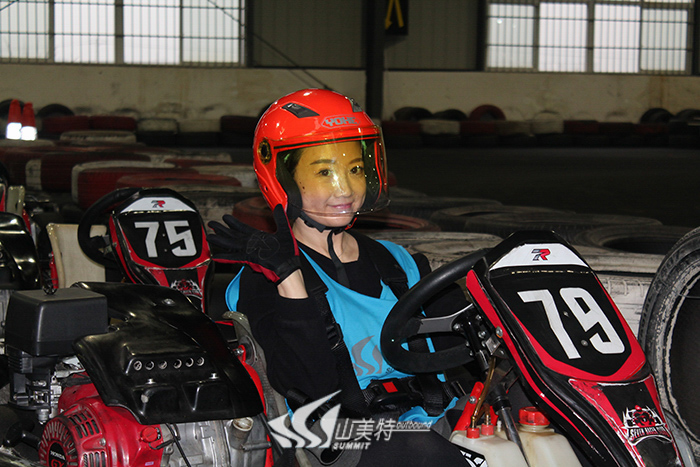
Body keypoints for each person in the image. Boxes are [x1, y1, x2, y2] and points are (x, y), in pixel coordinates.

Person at [208, 89, 473, 465]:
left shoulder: (399, 263)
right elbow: (310, 389)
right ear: (281, 178)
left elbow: (468, 346)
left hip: (426, 416)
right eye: (324, 172)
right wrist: (290, 280)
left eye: (355, 170)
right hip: (330, 432)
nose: (345, 189)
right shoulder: (262, 280)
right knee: (417, 448)